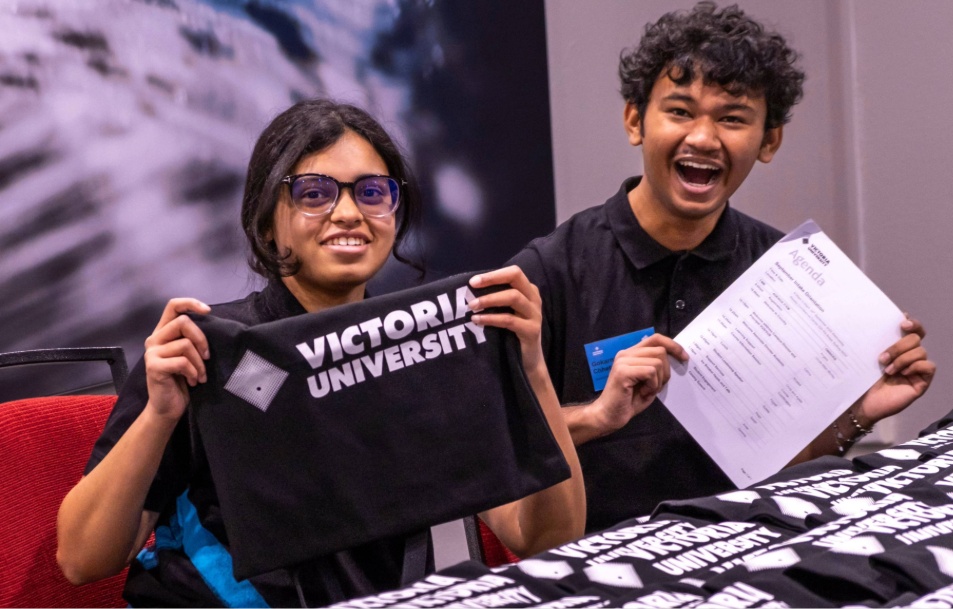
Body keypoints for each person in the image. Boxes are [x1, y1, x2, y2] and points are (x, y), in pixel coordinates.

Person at [56, 99, 585, 607]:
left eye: (373, 192)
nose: (350, 213)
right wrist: (159, 414)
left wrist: (532, 368)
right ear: (266, 219)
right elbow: (82, 560)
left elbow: (548, 538)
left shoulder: (426, 353)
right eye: (314, 193)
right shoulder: (206, 357)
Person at [508, 2, 936, 533]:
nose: (704, 138)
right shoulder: (549, 274)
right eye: (681, 111)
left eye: (732, 118)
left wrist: (860, 412)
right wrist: (597, 415)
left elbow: (779, 467)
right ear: (635, 120)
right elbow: (492, 450)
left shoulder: (789, 275)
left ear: (769, 141)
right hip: (600, 566)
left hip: (745, 556)